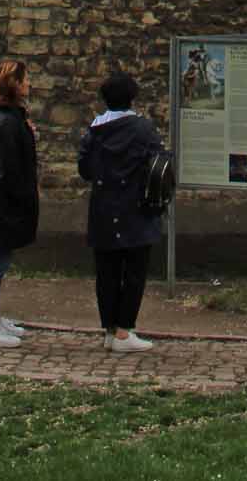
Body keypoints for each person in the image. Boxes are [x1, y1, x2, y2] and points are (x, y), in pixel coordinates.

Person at [78, 72, 164, 354]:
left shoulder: (95, 130)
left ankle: (110, 329)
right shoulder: (142, 129)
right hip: (135, 209)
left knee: (107, 273)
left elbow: (85, 170)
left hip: (103, 208)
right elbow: (158, 166)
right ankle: (125, 330)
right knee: (134, 272)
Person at [0, 56, 39, 348]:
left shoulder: (6, 116)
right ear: (14, 84)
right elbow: (12, 166)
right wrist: (24, 197)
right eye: (24, 79)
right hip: (3, 199)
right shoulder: (6, 120)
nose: (28, 83)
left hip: (1, 195)